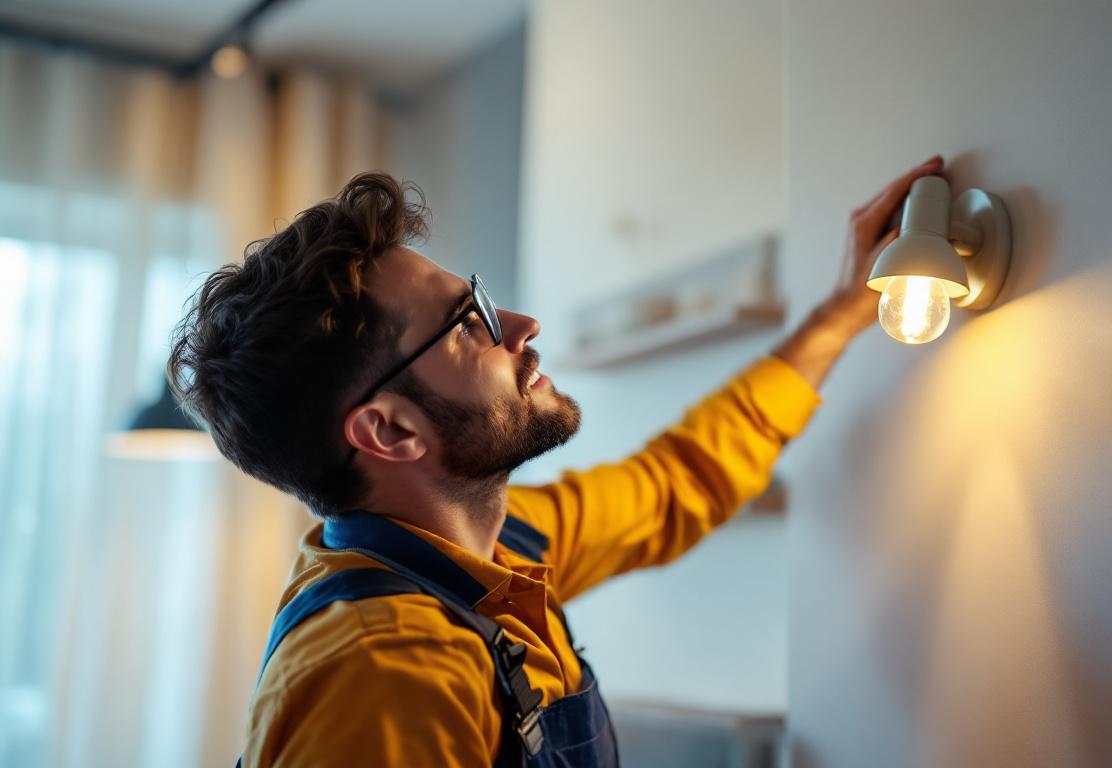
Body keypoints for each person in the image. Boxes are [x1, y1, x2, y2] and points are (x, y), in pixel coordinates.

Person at [168, 155, 944, 767]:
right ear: (392, 432)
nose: (521, 325)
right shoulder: (386, 674)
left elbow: (674, 483)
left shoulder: (497, 547)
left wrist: (842, 312)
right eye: (468, 325)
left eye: (479, 299)